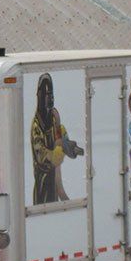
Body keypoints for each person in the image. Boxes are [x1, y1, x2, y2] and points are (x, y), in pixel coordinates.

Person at [30, 73, 83, 205]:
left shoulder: (54, 117)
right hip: (43, 182)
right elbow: (41, 154)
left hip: (54, 181)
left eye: (52, 95)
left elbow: (60, 135)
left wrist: (70, 147)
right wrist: (56, 153)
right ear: (41, 97)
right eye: (48, 95)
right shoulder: (37, 126)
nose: (51, 99)